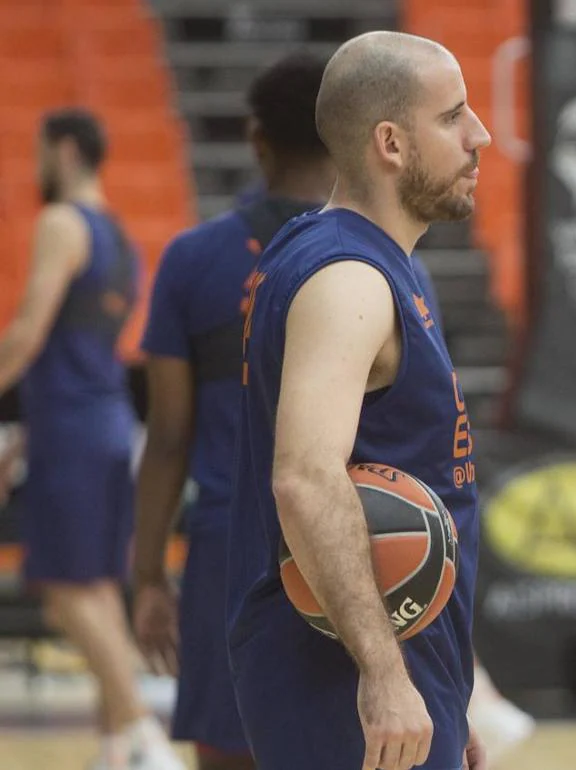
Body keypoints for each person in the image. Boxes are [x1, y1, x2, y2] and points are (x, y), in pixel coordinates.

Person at [225, 31, 491, 770]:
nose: (482, 136)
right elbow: (306, 478)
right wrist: (383, 675)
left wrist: (441, 688)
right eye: (453, 117)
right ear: (391, 143)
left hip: (388, 669)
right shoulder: (348, 281)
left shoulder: (344, 254)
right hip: (338, 678)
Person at [130, 51, 336, 770]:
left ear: (257, 139)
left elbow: (169, 436)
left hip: (230, 549)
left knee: (229, 755)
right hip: (348, 543)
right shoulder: (382, 256)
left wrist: (148, 573)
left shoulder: (193, 259)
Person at [0, 109, 185, 770]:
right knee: (98, 586)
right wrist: (21, 439)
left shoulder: (61, 223)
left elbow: (27, 334)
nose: (33, 166)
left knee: (63, 586)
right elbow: (70, 352)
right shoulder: (119, 236)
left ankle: (140, 734)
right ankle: (117, 747)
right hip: (104, 423)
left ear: (65, 150)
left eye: (38, 152)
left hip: (72, 429)